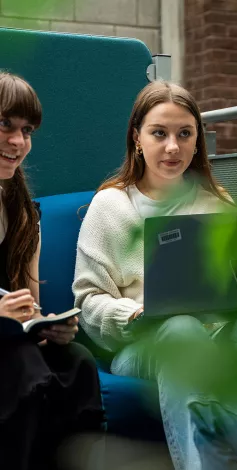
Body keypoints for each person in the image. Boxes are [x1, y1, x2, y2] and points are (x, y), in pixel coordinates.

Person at [73, 80, 237, 469]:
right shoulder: (110, 206)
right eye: (160, 133)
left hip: (221, 334)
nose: (173, 147)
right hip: (145, 345)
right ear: (137, 139)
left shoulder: (217, 203)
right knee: (182, 330)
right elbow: (88, 301)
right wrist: (134, 315)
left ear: (197, 142)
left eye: (185, 134)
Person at [0, 71, 105, 470]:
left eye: (26, 130)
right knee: (21, 363)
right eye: (4, 124)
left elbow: (33, 309)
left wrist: (50, 326)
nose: (17, 142)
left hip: (11, 343)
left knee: (76, 359)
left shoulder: (25, 214)